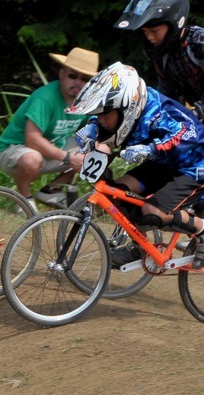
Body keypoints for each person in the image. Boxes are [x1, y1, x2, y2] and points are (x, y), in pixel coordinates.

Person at [68, 61, 204, 268]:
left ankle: (202, 229)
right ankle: (140, 247)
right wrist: (91, 131)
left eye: (103, 115)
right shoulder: (120, 111)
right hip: (163, 164)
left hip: (194, 166)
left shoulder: (159, 112)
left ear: (126, 107)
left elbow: (191, 134)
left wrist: (152, 148)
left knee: (153, 211)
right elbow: (104, 123)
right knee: (115, 194)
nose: (100, 119)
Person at [0, 47, 100, 208]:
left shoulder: (87, 102)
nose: (78, 82)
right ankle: (24, 200)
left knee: (100, 149)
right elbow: (32, 140)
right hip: (14, 149)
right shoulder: (45, 98)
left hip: (52, 148)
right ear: (62, 73)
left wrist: (91, 151)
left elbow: (91, 133)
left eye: (85, 78)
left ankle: (52, 190)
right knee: (32, 159)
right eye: (73, 75)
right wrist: (70, 158)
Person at [115, 0, 204, 117]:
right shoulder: (163, 54)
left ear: (175, 23)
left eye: (154, 31)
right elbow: (167, 94)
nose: (150, 37)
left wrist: (198, 112)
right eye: (145, 31)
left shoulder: (198, 43)